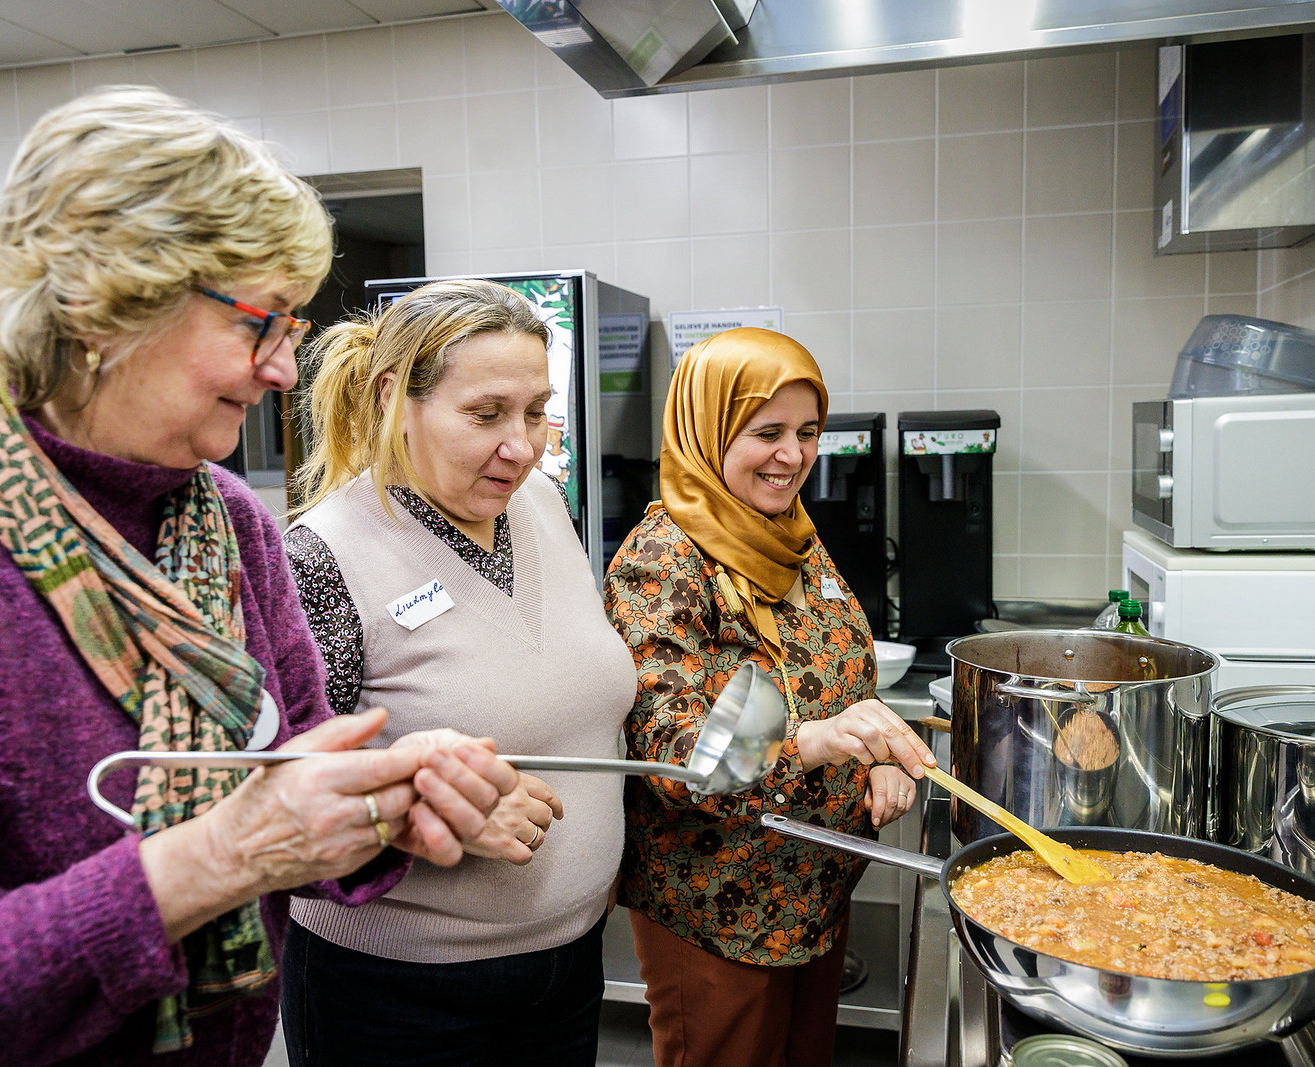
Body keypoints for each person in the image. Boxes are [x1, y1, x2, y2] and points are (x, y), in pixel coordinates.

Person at [0, 86, 517, 1067]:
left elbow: (284, 771)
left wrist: (380, 800)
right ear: (100, 301)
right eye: (263, 322)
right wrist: (224, 856)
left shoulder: (226, 526)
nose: (285, 369)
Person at [278, 278, 638, 1067]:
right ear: (391, 398)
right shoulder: (322, 556)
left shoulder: (541, 503)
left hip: (570, 966)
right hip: (397, 993)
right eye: (486, 414)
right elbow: (276, 799)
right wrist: (429, 808)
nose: (524, 444)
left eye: (538, 410)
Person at [604, 327, 938, 1067]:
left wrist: (878, 760)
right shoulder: (664, 559)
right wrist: (815, 741)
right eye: (767, 432)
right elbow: (676, 756)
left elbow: (840, 673)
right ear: (708, 426)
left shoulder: (793, 538)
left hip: (813, 888)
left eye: (808, 432)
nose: (793, 455)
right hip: (720, 907)